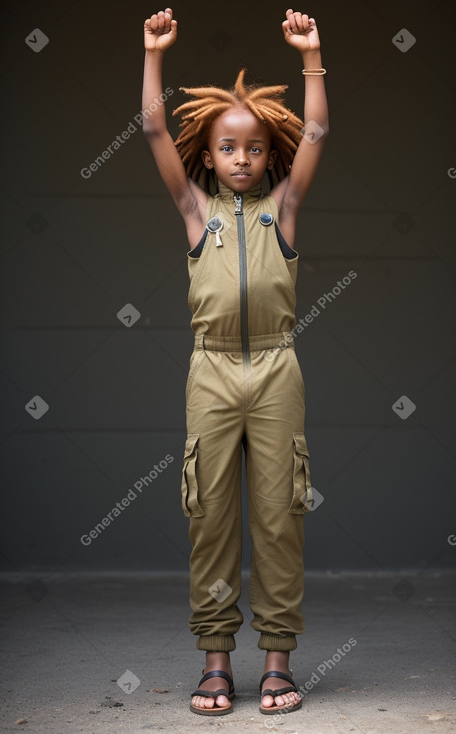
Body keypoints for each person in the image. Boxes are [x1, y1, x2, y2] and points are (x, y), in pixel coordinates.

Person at [141, 6, 328, 717]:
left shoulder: (284, 210)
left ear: (267, 154)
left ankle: (277, 661)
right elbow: (156, 127)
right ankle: (216, 662)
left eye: (253, 149)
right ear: (209, 155)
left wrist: (311, 57)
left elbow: (315, 131)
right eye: (228, 148)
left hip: (277, 372)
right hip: (210, 373)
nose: (242, 159)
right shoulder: (195, 213)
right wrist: (153, 55)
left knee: (280, 515)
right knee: (209, 517)